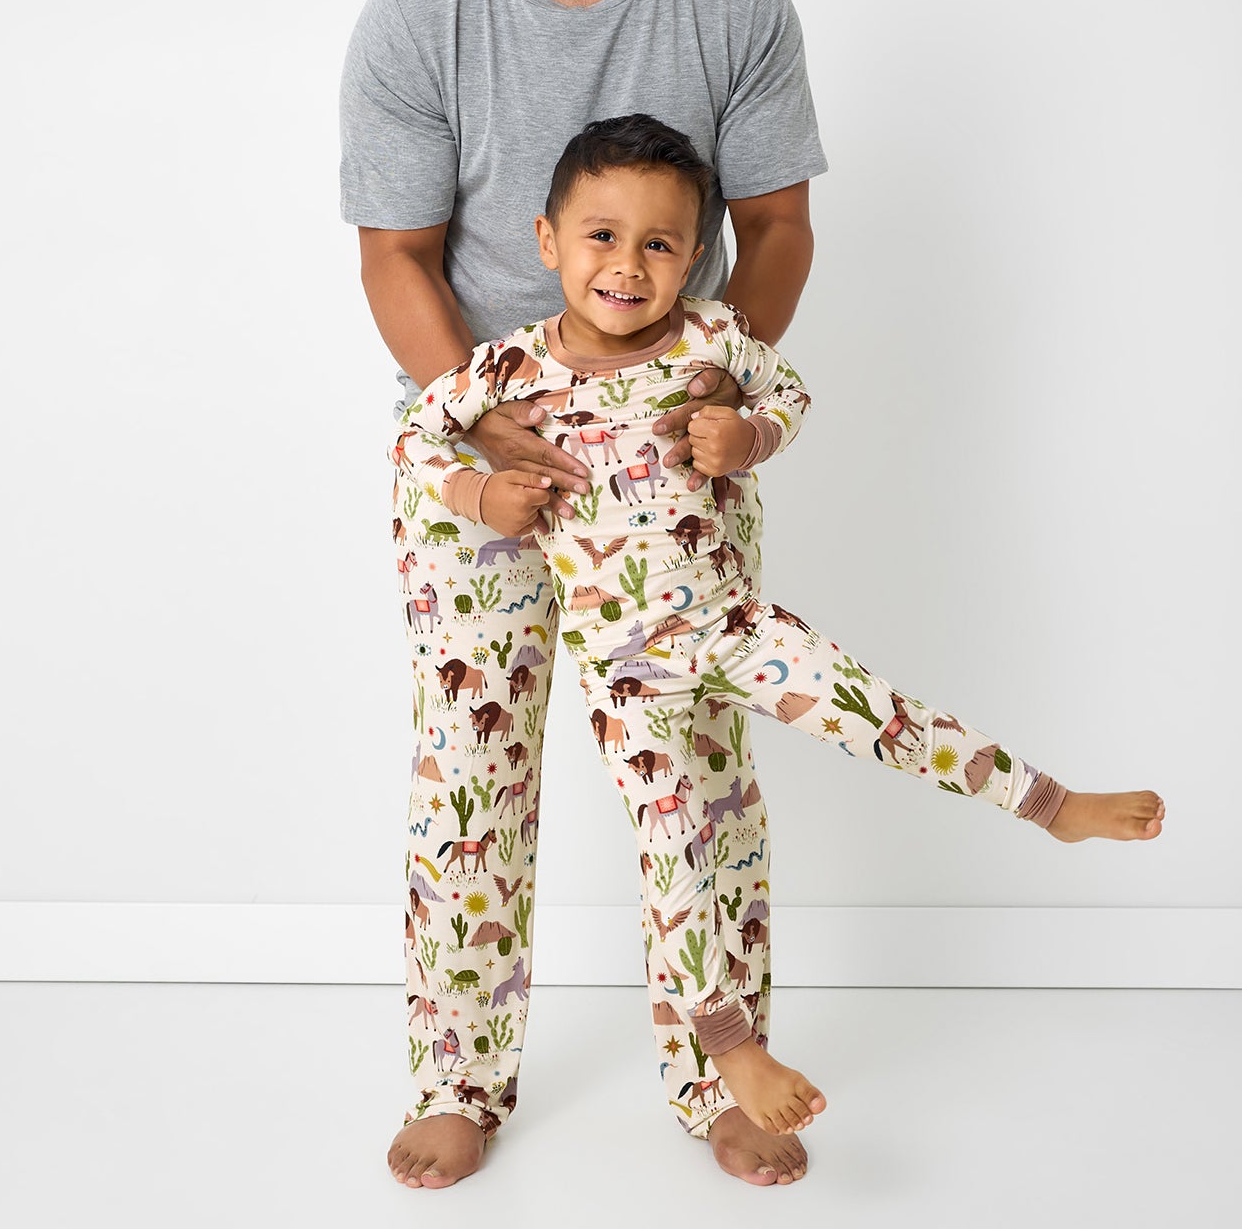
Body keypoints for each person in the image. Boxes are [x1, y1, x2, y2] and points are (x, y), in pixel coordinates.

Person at [392, 114, 1165, 1151]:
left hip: (734, 624)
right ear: (545, 240)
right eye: (600, 238)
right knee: (676, 857)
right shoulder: (507, 368)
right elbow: (414, 432)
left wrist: (745, 433)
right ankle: (730, 1053)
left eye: (659, 244)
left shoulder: (712, 340)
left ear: (695, 256)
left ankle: (1047, 801)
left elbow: (788, 393)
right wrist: (479, 492)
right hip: (629, 679)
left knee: (873, 710)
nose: (627, 265)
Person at [341, 0, 827, 1189]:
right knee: (470, 782)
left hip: (672, 465)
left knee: (696, 782)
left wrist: (718, 398)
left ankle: (723, 1074)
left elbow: (780, 228)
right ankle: (460, 1075)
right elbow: (397, 257)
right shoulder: (421, 3)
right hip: (478, 457)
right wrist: (489, 442)